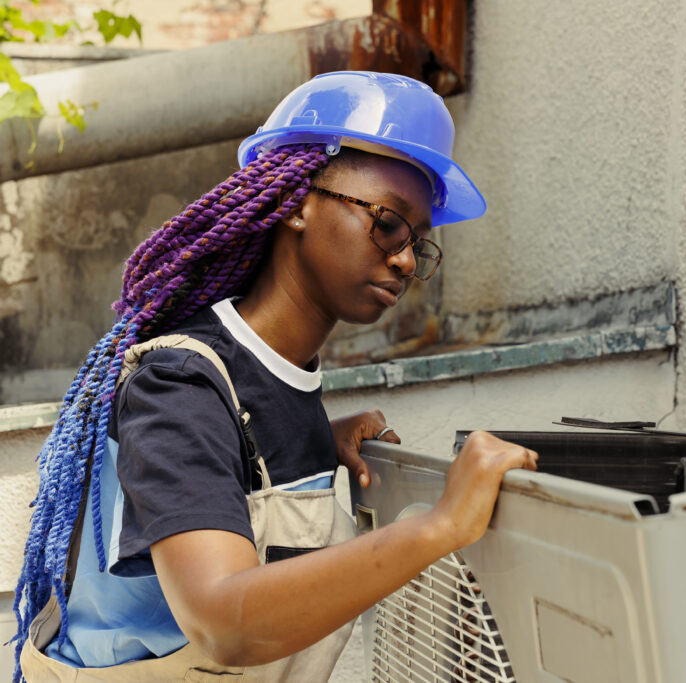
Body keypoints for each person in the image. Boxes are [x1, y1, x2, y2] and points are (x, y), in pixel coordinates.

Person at [13, 71, 538, 682]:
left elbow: (233, 462)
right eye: (388, 221)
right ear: (294, 205)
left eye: (417, 243)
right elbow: (223, 620)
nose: (402, 258)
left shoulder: (275, 380)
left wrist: (314, 445)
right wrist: (440, 526)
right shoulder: (180, 385)